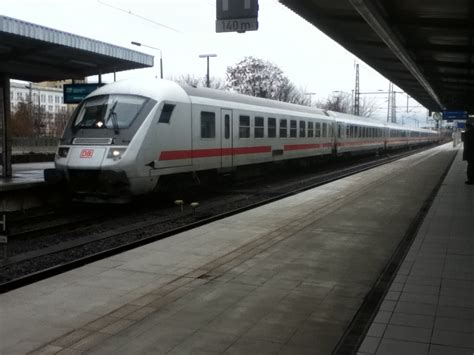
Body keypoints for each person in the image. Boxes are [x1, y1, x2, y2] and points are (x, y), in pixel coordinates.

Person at [463, 118, 474, 185]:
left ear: (467, 126)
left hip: (470, 154)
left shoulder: (467, 133)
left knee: (470, 167)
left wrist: (465, 155)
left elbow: (466, 145)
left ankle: (471, 180)